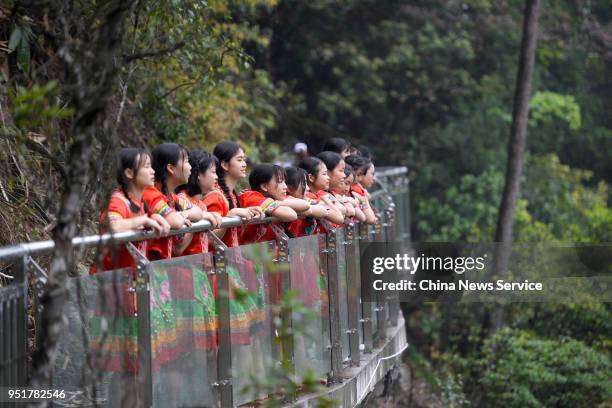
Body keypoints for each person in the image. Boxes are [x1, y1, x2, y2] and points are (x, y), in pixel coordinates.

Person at [97, 148, 169, 272]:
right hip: (113, 283)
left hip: (131, 281)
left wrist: (152, 218)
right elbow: (111, 226)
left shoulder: (140, 203)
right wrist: (143, 220)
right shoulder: (118, 201)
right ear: (129, 173)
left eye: (151, 166)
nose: (152, 171)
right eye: (146, 167)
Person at [142, 143, 204, 260]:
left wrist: (185, 214)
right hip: (132, 272)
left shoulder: (172, 197)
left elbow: (199, 211)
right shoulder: (150, 193)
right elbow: (175, 221)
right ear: (170, 168)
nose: (190, 167)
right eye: (186, 161)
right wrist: (182, 217)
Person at [239, 164, 310, 244]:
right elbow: (291, 214)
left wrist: (279, 203)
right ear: (264, 186)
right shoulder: (252, 197)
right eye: (280, 182)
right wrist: (281, 203)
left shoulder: (277, 198)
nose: (285, 187)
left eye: (284, 181)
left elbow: (306, 205)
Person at [175, 149, 223, 256]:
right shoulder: (181, 200)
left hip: (200, 268)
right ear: (199, 175)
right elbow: (178, 248)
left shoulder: (201, 204)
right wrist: (198, 217)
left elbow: (206, 241)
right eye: (214, 172)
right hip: (183, 269)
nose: (217, 177)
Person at [298, 156, 345, 227]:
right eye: (324, 174)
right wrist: (327, 201)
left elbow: (344, 210)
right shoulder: (309, 197)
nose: (328, 177)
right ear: (311, 178)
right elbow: (339, 218)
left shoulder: (318, 194)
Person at [345, 155, 377, 224]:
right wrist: (364, 201)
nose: (360, 178)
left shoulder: (355, 189)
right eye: (359, 174)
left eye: (362, 174)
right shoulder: (354, 189)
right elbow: (370, 219)